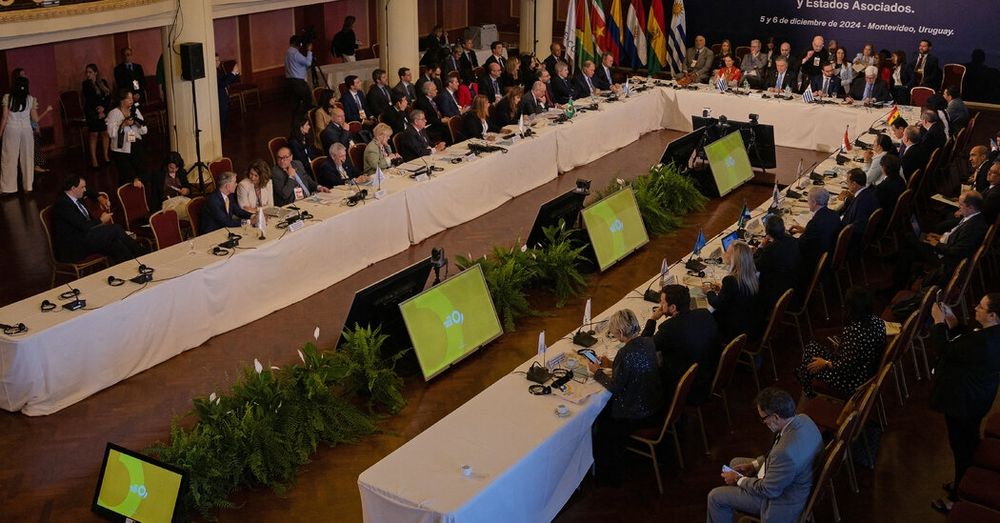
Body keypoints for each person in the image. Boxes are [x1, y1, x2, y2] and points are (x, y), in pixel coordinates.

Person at [928, 293, 1000, 513]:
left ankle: (958, 497)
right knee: (968, 443)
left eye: (981, 307)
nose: (975, 308)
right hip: (977, 398)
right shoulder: (990, 334)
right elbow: (966, 344)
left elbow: (944, 350)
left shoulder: (984, 343)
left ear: (993, 315)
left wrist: (938, 323)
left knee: (961, 448)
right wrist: (954, 322)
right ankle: (964, 481)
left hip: (964, 403)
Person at [707, 387, 823, 523]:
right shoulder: (804, 419)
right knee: (735, 463)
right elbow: (778, 456)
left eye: (763, 419)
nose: (764, 423)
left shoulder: (784, 453)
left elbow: (767, 490)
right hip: (792, 480)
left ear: (776, 417)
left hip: (780, 502)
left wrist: (738, 479)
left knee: (715, 497)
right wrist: (754, 465)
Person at [588, 308, 664, 486]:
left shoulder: (625, 353)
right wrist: (611, 364)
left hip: (635, 413)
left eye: (614, 333)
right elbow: (631, 368)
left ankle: (606, 474)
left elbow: (615, 387)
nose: (614, 336)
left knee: (600, 423)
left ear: (621, 332)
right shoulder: (648, 342)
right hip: (654, 403)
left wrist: (597, 372)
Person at [796, 287, 884, 399]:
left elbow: (845, 366)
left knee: (810, 358)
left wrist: (825, 363)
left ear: (851, 308)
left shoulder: (853, 331)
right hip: (867, 370)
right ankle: (805, 378)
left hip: (852, 380)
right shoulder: (878, 322)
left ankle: (808, 391)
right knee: (812, 348)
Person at [643, 284, 720, 403]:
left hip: (688, 389)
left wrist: (652, 320)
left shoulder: (668, 328)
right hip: (709, 374)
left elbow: (642, 349)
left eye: (662, 302)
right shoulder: (704, 313)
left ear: (673, 307)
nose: (660, 305)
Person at [51, 174, 143, 263]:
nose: (85, 189)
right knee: (115, 229)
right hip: (74, 246)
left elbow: (89, 191)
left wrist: (100, 198)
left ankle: (134, 267)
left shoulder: (75, 194)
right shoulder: (62, 204)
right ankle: (142, 254)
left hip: (86, 237)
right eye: (82, 187)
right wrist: (101, 220)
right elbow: (83, 225)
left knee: (116, 244)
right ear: (73, 188)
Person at [704, 241, 760, 342]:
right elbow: (735, 293)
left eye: (727, 252)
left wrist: (708, 291)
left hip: (733, 330)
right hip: (749, 322)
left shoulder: (730, 280)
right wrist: (723, 289)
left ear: (733, 259)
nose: (724, 254)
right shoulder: (750, 272)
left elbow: (716, 303)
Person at [0, 76, 40, 194]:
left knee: (9, 158)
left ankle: (8, 188)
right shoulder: (31, 99)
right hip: (26, 130)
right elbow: (36, 119)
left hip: (11, 129)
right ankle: (28, 186)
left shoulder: (8, 97)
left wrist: (0, 132)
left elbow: (4, 117)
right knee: (28, 157)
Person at [754, 214, 801, 311]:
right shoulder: (792, 239)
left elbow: (756, 266)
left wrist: (760, 248)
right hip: (794, 283)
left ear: (767, 233)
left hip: (777, 291)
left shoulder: (770, 249)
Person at [106, 88, 148, 190]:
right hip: (120, 149)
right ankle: (124, 195)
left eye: (131, 98)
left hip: (135, 144)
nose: (131, 100)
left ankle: (140, 195)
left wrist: (138, 124)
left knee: (141, 172)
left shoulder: (135, 110)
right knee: (126, 176)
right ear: (121, 100)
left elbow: (144, 130)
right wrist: (123, 124)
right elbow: (111, 133)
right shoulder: (113, 113)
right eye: (128, 98)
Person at [790, 187, 841, 270]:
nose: (808, 203)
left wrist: (784, 236)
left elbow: (801, 244)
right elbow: (821, 232)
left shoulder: (814, 223)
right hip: (830, 254)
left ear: (814, 202)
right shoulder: (834, 214)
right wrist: (805, 230)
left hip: (814, 262)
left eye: (808, 200)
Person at [838, 168, 878, 254]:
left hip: (850, 240)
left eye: (847, 182)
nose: (847, 185)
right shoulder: (867, 193)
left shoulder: (861, 202)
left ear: (854, 184)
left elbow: (856, 226)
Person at [82, 64, 112, 168]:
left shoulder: (103, 82)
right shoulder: (86, 84)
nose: (88, 74)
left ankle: (106, 156)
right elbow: (90, 99)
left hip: (103, 111)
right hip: (92, 112)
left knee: (105, 133)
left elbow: (108, 97)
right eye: (87, 72)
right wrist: (98, 110)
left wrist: (103, 109)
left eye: (90, 72)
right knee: (94, 134)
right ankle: (94, 159)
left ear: (95, 72)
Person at [284, 35, 314, 117]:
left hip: (290, 81)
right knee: (308, 100)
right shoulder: (295, 53)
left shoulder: (288, 52)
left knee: (296, 102)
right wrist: (309, 51)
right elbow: (308, 63)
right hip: (298, 82)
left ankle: (296, 119)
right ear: (298, 44)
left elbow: (297, 65)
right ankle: (301, 117)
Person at [160, 152, 192, 220]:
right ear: (166, 165)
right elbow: (145, 177)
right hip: (168, 202)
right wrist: (137, 179)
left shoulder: (181, 172)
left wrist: (187, 190)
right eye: (171, 168)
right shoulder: (160, 174)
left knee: (196, 207)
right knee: (188, 211)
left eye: (176, 168)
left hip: (181, 198)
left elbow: (188, 187)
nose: (174, 170)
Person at [875, 153, 906, 218]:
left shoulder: (882, 187)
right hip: (895, 211)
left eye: (881, 166)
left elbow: (876, 204)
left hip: (885, 216)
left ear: (884, 168)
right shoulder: (900, 179)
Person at [215, 54, 239, 133]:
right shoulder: (212, 73)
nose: (218, 62)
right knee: (221, 125)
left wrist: (235, 74)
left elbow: (225, 79)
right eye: (216, 60)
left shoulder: (218, 70)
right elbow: (222, 84)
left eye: (218, 60)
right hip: (220, 101)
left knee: (225, 124)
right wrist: (233, 73)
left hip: (225, 100)